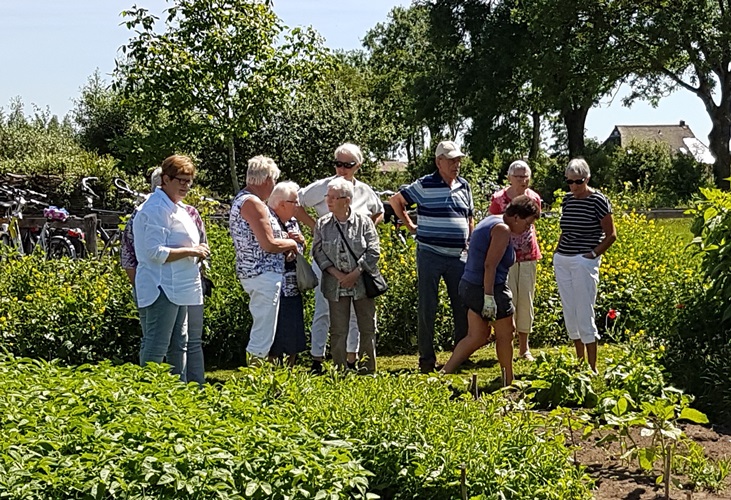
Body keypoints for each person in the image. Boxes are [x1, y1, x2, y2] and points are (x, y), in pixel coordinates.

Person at [296, 143, 384, 373]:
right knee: (324, 310)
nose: (342, 168)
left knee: (357, 316)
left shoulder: (364, 190)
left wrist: (367, 231)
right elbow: (296, 203)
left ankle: (352, 359)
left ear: (358, 165)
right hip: (328, 263)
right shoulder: (324, 186)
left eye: (348, 164)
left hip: (358, 266)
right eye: (338, 163)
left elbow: (379, 211)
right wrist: (317, 228)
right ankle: (318, 357)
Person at [390, 140, 473, 373]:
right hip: (430, 254)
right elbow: (396, 201)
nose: (456, 164)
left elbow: (470, 216)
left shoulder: (464, 186)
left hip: (459, 256)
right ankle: (427, 359)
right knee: (428, 306)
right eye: (452, 160)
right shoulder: (425, 184)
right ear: (439, 162)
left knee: (462, 306)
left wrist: (471, 241)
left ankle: (460, 355)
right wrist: (410, 226)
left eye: (458, 160)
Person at [122, 166, 210, 385]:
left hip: (180, 285)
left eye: (189, 181)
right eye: (181, 180)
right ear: (165, 179)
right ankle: (148, 396)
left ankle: (177, 395)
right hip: (161, 286)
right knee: (157, 343)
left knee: (179, 343)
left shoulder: (178, 208)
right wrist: (192, 251)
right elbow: (154, 252)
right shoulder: (154, 209)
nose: (185, 186)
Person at [441, 196, 540, 385]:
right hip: (488, 286)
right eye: (527, 223)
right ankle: (508, 381)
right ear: (517, 217)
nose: (528, 229)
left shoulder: (492, 219)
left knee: (477, 336)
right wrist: (488, 297)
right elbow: (490, 265)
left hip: (470, 285)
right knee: (506, 333)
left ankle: (443, 374)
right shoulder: (502, 229)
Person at [230, 156, 298, 363]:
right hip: (262, 274)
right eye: (274, 181)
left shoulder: (243, 199)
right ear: (267, 179)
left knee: (264, 329)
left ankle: (257, 376)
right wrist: (292, 244)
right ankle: (254, 379)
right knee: (263, 333)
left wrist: (282, 239)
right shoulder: (253, 203)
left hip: (256, 273)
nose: (274, 186)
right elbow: (268, 244)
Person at [554, 158, 617, 373]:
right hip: (563, 259)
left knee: (584, 311)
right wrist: (557, 251)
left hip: (584, 261)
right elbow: (565, 229)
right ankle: (579, 362)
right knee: (569, 311)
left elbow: (611, 235)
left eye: (578, 182)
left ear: (587, 179)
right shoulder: (567, 200)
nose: (573, 187)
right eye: (569, 182)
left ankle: (592, 367)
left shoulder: (598, 200)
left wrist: (592, 254)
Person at [312, 177, 381, 373]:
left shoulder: (364, 223)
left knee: (367, 328)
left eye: (334, 197)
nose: (329, 201)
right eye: (328, 196)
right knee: (338, 330)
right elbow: (317, 251)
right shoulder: (322, 224)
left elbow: (374, 251)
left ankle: (368, 370)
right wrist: (335, 273)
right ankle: (339, 370)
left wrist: (356, 272)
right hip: (335, 285)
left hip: (362, 284)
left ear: (347, 200)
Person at [489, 160, 543, 361]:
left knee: (526, 300)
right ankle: (506, 345)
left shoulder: (535, 198)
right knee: (507, 299)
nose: (523, 180)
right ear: (510, 178)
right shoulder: (499, 199)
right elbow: (492, 225)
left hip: (529, 255)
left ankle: (524, 347)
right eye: (519, 176)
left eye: (526, 176)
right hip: (505, 255)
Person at [267, 181, 307, 367]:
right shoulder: (268, 219)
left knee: (293, 322)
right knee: (274, 323)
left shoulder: (292, 221)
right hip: (273, 282)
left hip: (292, 284)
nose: (298, 206)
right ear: (282, 203)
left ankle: (291, 364)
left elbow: (299, 249)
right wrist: (287, 244)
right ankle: (273, 363)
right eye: (295, 202)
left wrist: (300, 242)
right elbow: (268, 246)